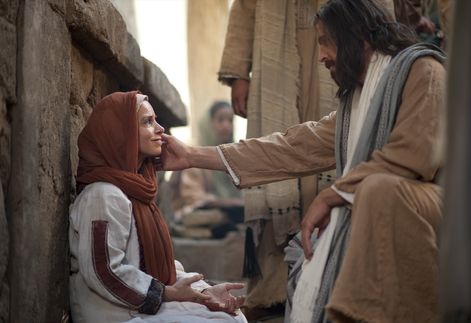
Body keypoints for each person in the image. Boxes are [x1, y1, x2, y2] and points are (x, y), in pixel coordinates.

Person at [161, 0, 446, 322]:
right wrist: (191, 155)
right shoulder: (357, 104)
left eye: (325, 41)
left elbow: (414, 156)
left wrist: (331, 194)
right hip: (384, 202)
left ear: (355, 37)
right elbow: (291, 147)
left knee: (378, 190)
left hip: (445, 213)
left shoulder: (424, 71)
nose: (321, 55)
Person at [69, 91, 246, 323]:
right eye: (147, 122)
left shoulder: (135, 191)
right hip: (114, 313)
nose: (160, 129)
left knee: (232, 316)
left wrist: (203, 292)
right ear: (122, 135)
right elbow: (105, 273)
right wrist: (168, 293)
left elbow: (146, 264)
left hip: (140, 306)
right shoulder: (103, 195)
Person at [217, 0, 340, 317]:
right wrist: (238, 72)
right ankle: (271, 291)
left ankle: (330, 279)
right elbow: (245, 5)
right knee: (274, 155)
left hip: (337, 38)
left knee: (329, 143)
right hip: (273, 43)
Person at [170, 101, 243, 222]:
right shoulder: (194, 154)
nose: (226, 126)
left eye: (230, 120)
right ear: (208, 123)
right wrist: (227, 203)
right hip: (198, 213)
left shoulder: (234, 155)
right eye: (220, 120)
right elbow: (193, 197)